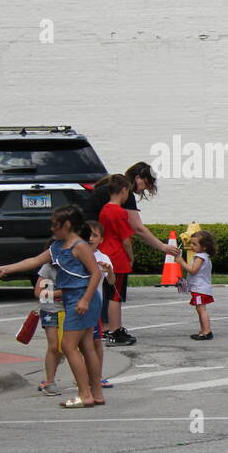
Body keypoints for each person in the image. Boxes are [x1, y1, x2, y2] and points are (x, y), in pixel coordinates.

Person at [0, 206, 103, 407]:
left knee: (68, 346)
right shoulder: (57, 247)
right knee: (86, 345)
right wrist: (7, 268)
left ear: (68, 225)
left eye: (55, 225)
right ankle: (96, 394)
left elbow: (95, 274)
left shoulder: (79, 246)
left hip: (81, 298)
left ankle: (85, 394)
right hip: (73, 297)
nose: (52, 229)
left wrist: (85, 300)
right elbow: (35, 261)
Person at [81, 161, 180, 346]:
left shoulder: (106, 195)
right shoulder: (121, 201)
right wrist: (162, 247)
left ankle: (101, 328)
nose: (142, 190)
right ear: (137, 179)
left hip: (95, 245)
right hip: (113, 254)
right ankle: (113, 330)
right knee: (115, 294)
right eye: (145, 184)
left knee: (101, 290)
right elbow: (136, 230)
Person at [95, 174, 134, 345]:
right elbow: (126, 240)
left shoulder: (104, 210)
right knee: (116, 296)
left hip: (105, 255)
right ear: (124, 190)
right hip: (118, 258)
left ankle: (112, 328)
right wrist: (131, 258)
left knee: (109, 294)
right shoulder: (120, 212)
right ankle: (115, 330)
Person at [85, 221, 113, 387]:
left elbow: (111, 281)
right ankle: (82, 375)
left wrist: (109, 270)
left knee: (96, 342)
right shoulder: (78, 255)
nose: (90, 238)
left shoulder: (103, 258)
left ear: (101, 239)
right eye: (88, 235)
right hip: (79, 303)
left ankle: (97, 375)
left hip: (95, 306)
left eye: (95, 235)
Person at [177, 229, 216, 340]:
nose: (192, 246)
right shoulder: (204, 257)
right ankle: (203, 330)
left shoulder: (200, 257)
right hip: (200, 288)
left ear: (204, 247)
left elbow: (193, 270)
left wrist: (181, 262)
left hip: (200, 289)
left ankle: (207, 332)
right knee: (199, 308)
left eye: (195, 244)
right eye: (191, 243)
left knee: (201, 309)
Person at [32, 261, 64, 396]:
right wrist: (59, 293)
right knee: (53, 346)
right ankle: (50, 382)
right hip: (50, 311)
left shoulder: (75, 265)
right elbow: (38, 292)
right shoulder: (48, 267)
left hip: (69, 311)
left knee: (65, 347)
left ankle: (51, 376)